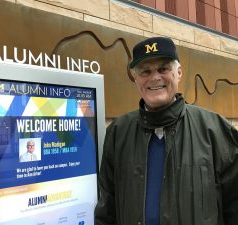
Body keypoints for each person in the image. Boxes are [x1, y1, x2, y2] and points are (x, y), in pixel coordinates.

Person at [94, 36, 238, 225]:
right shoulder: (118, 133)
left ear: (178, 73)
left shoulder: (215, 130)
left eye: (163, 69)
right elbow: (107, 211)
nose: (155, 77)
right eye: (145, 71)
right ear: (135, 78)